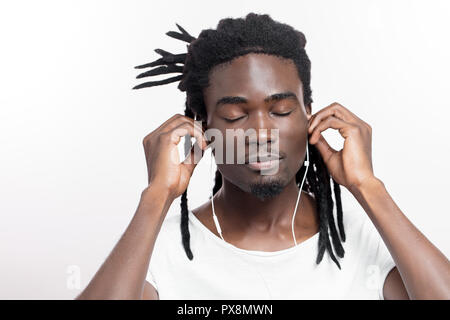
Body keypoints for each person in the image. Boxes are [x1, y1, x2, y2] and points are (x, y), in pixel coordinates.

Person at [77, 13, 449, 300]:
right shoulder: (158, 247)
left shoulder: (365, 233)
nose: (261, 133)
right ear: (202, 128)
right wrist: (155, 197)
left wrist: (369, 187)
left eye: (282, 110)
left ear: (310, 114)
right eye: (236, 115)